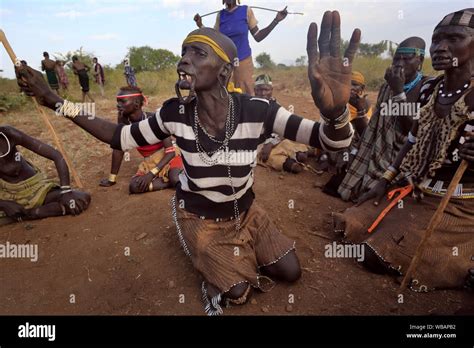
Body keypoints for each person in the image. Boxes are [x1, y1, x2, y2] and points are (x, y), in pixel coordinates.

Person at [16, 11, 360, 314]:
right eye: (183, 53)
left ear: (225, 69)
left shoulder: (259, 111)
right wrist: (55, 100)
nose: (184, 61)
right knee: (237, 292)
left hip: (247, 211)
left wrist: (335, 113)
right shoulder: (173, 113)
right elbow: (118, 137)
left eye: (197, 53)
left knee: (290, 271)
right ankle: (205, 252)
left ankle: (237, 248)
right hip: (201, 216)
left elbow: (333, 140)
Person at [333, 9, 474, 291]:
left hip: (458, 204)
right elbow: (412, 136)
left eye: (454, 39)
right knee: (350, 224)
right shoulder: (429, 89)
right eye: (437, 40)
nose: (441, 48)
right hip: (418, 190)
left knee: (379, 254)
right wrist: (385, 180)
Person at [327, 37, 429, 200]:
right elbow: (374, 127)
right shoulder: (386, 87)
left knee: (383, 197)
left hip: (405, 160)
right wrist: (355, 151)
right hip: (376, 155)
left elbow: (413, 131)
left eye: (407, 58)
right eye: (397, 58)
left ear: (420, 60)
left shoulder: (426, 87)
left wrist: (398, 92)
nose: (400, 63)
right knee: (336, 184)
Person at [0, 126, 90, 226]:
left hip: (36, 189)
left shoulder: (9, 134)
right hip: (6, 195)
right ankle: (20, 212)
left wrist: (66, 191)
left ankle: (28, 214)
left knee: (81, 198)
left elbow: (56, 155)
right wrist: (4, 204)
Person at [99, 86, 183, 193]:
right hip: (150, 162)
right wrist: (112, 179)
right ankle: (171, 181)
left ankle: (175, 178)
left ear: (137, 104)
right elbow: (118, 148)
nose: (118, 105)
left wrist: (150, 175)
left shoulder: (154, 119)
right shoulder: (124, 122)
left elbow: (170, 152)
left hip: (169, 157)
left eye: (122, 102)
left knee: (174, 177)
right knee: (134, 187)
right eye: (117, 102)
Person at [194, 0, 288, 94]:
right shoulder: (220, 15)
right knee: (225, 94)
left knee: (245, 95)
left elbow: (258, 36)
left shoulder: (246, 11)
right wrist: (200, 25)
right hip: (225, 63)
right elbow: (214, 38)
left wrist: (276, 21)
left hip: (243, 61)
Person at [254, 74, 314, 173]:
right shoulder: (250, 107)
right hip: (259, 145)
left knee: (297, 151)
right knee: (274, 159)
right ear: (254, 90)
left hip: (276, 140)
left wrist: (271, 143)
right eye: (259, 90)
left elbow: (284, 130)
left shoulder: (277, 107)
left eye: (266, 89)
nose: (263, 93)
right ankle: (292, 161)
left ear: (272, 90)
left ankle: (303, 153)